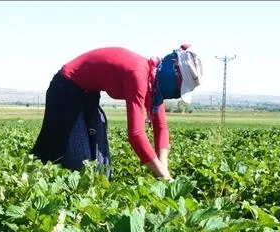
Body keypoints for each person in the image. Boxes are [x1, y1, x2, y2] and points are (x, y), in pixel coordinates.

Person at [32, 45, 204, 181]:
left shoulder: (154, 86)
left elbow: (161, 128)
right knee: (74, 164)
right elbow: (136, 135)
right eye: (179, 89)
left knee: (101, 171)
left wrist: (163, 170)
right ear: (173, 77)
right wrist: (162, 176)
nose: (175, 94)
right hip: (65, 89)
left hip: (88, 95)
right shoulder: (139, 74)